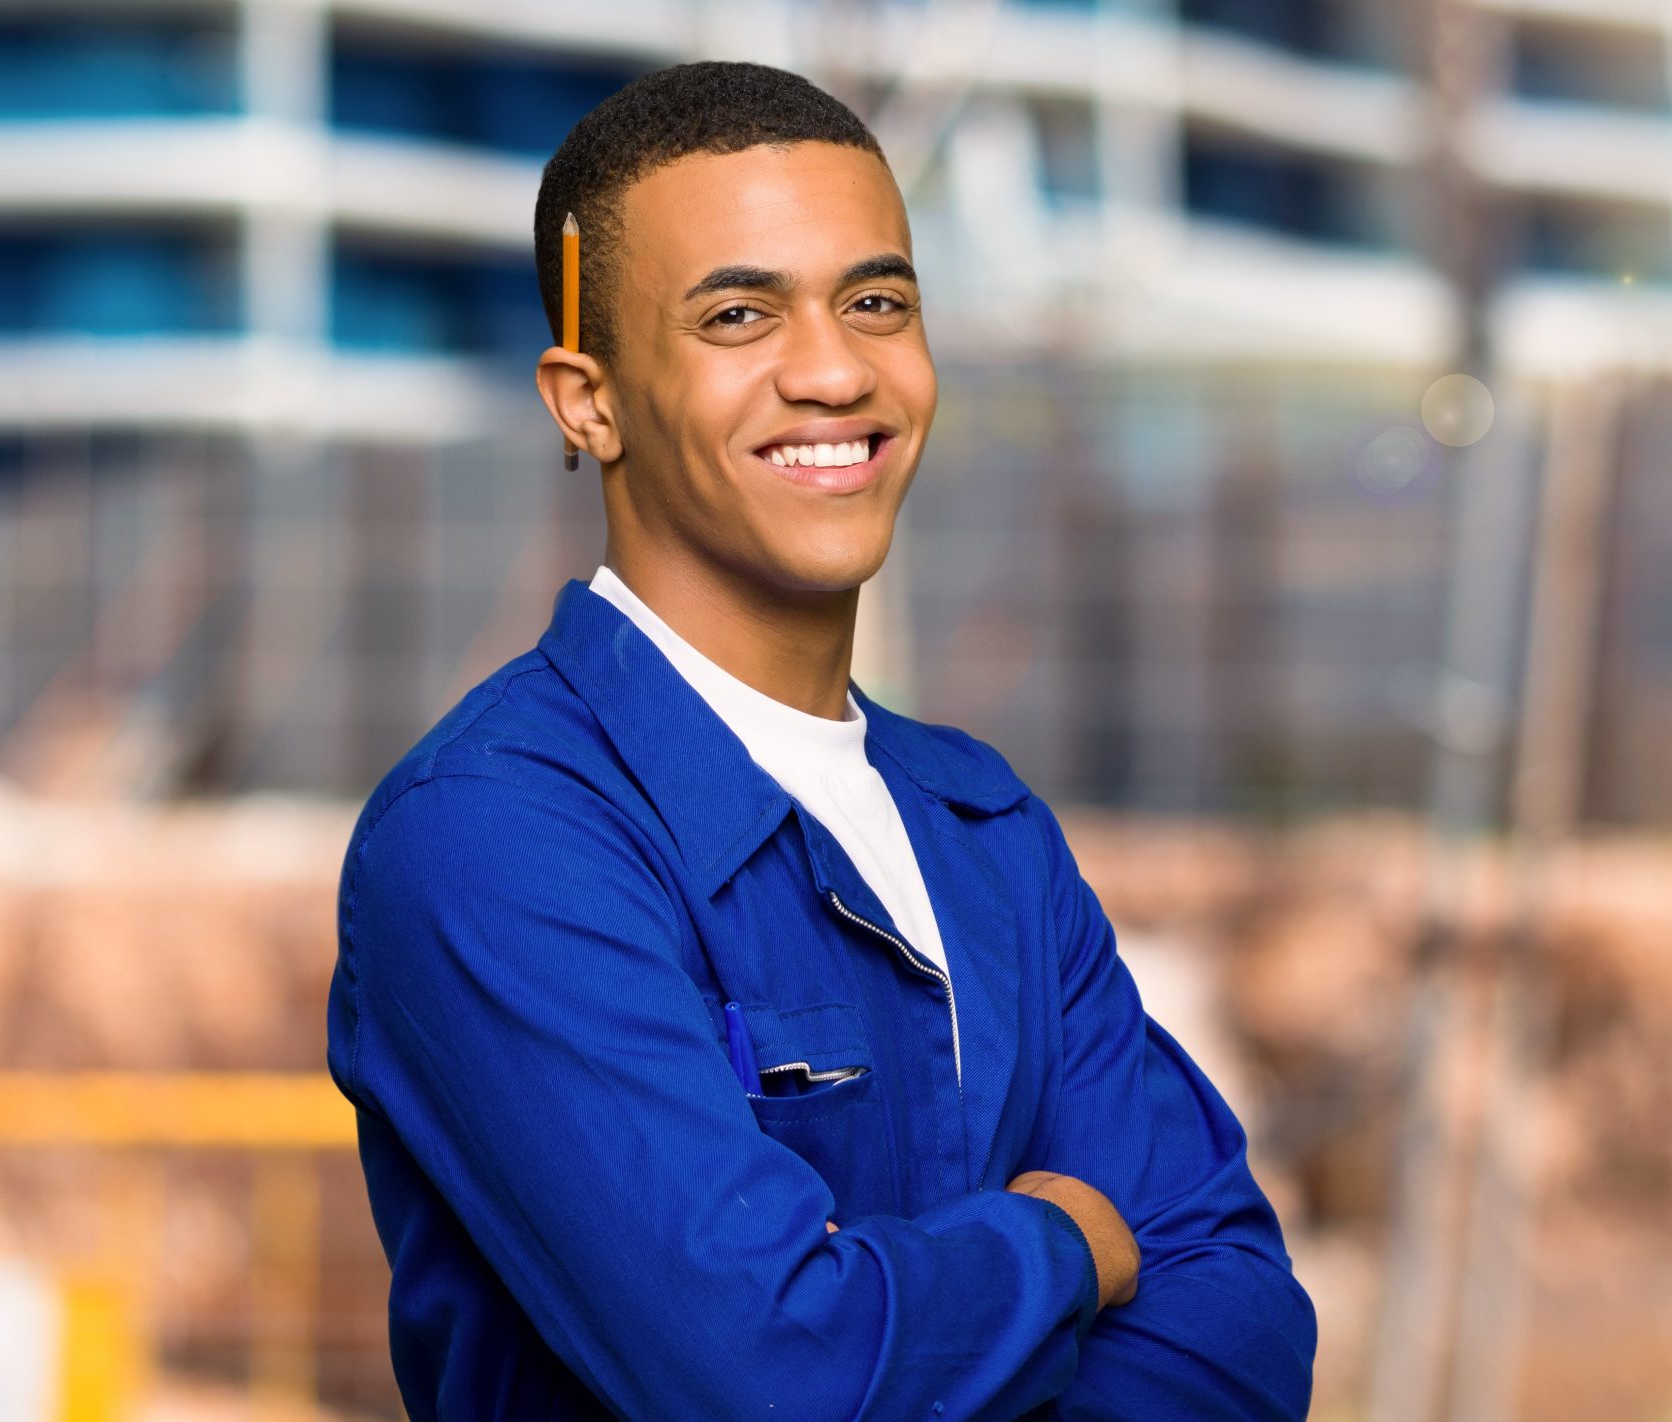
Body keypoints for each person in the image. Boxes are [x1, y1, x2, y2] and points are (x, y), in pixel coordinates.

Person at [327, 59, 1314, 1421]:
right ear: (586, 399)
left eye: (877, 301)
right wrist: (1070, 1244)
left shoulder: (986, 828)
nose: (834, 368)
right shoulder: (496, 838)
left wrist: (900, 1310)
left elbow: (1241, 1334)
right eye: (739, 313)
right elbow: (773, 1375)